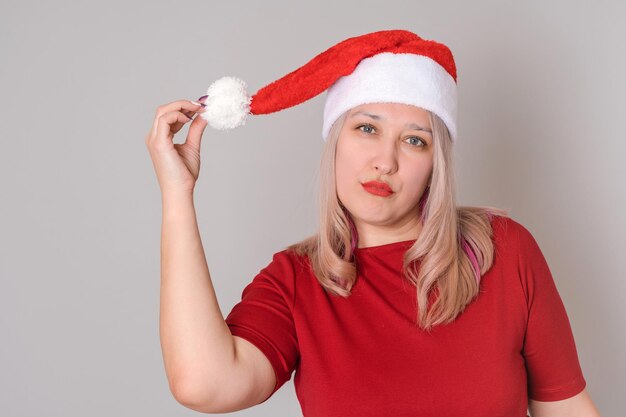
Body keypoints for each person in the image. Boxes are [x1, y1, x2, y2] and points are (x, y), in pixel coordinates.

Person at [145, 30, 601, 416]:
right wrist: (178, 196)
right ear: (335, 140)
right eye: (367, 128)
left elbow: (567, 408)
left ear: (435, 163)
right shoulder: (295, 282)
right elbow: (204, 384)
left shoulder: (502, 251)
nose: (385, 161)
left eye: (415, 140)